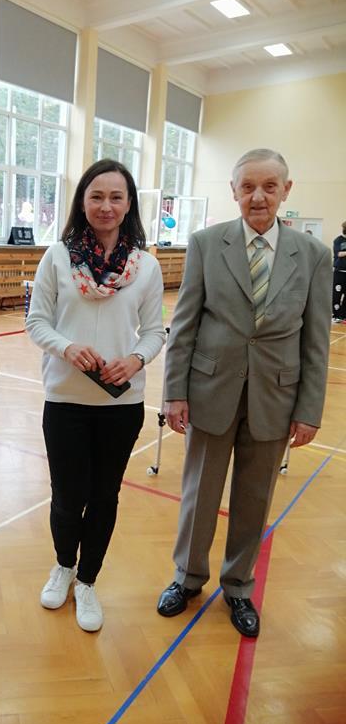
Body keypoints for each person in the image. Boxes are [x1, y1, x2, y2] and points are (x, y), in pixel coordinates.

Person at [157, 148, 332, 637]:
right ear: (233, 191)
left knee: (255, 499)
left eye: (269, 187)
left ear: (285, 190)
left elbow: (316, 340)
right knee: (199, 494)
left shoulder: (313, 255)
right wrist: (174, 392)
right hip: (210, 391)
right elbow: (184, 324)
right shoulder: (206, 244)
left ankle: (238, 586)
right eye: (248, 187)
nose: (258, 196)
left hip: (276, 397)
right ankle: (187, 577)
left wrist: (309, 409)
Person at [26, 159, 165, 632]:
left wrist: (136, 359)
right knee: (67, 497)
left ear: (129, 205)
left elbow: (154, 331)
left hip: (121, 405)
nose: (106, 206)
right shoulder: (58, 257)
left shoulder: (145, 266)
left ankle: (87, 580)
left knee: (105, 497)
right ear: (82, 202)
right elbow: (36, 322)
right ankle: (64, 565)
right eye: (96, 196)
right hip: (65, 400)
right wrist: (66, 347)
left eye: (116, 197)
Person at [332, 220, 346, 324]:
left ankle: (343, 314)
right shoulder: (338, 240)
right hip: (339, 272)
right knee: (337, 294)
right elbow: (339, 254)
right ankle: (336, 315)